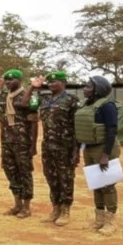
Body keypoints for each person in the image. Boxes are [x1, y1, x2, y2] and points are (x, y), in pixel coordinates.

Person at [0, 69, 39, 218]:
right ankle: (17, 204)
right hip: (7, 141)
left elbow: (34, 122)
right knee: (11, 172)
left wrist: (33, 145)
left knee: (24, 173)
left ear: (19, 80)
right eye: (6, 80)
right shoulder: (2, 96)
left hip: (22, 142)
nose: (8, 82)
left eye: (11, 79)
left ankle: (26, 207)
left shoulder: (28, 96)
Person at [76, 75, 120, 236]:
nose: (85, 89)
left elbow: (112, 130)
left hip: (104, 149)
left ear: (97, 90)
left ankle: (111, 221)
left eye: (88, 86)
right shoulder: (85, 105)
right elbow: (80, 129)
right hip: (88, 148)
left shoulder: (107, 106)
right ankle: (99, 219)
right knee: (96, 184)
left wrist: (106, 155)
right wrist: (77, 151)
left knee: (108, 185)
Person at [37, 71, 79, 226]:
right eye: (49, 82)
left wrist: (76, 151)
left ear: (64, 83)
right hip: (48, 145)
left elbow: (77, 126)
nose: (51, 84)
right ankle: (55, 208)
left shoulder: (71, 100)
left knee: (65, 178)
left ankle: (66, 210)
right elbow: (26, 103)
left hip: (65, 146)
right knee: (51, 177)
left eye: (54, 81)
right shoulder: (45, 99)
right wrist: (33, 87)